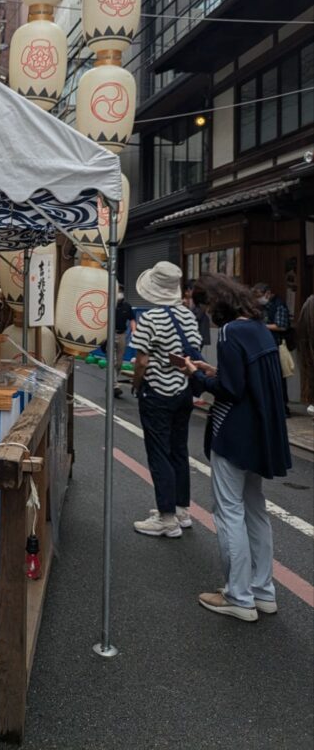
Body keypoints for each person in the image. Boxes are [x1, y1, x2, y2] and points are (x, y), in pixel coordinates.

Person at [183, 274, 291, 622]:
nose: (208, 311)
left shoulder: (230, 332)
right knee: (256, 511)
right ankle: (263, 592)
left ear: (219, 303)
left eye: (208, 305)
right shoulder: (259, 328)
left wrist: (196, 375)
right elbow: (245, 379)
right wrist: (214, 369)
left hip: (233, 432)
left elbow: (230, 389)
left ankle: (238, 596)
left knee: (229, 512)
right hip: (261, 432)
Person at [129, 261, 203, 538]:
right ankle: (182, 510)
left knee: (159, 453)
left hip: (157, 393)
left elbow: (142, 360)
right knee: (178, 451)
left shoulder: (149, 319)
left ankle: (166, 518)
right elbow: (194, 350)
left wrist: (137, 385)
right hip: (183, 392)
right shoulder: (188, 316)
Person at [253, 282, 292, 416]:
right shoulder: (260, 307)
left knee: (279, 378)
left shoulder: (278, 304)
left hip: (277, 346)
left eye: (259, 296)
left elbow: (281, 326)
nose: (258, 299)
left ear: (267, 293)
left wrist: (261, 327)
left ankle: (283, 408)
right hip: (263, 346)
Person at [114, 285, 135, 398]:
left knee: (119, 362)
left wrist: (134, 331)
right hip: (110, 334)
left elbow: (132, 319)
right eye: (118, 291)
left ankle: (114, 381)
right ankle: (114, 385)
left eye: (121, 291)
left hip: (122, 335)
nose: (119, 293)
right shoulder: (110, 305)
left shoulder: (127, 306)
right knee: (113, 361)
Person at [184, 279, 211, 348]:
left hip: (199, 329)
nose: (186, 293)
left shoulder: (200, 302)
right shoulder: (191, 301)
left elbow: (198, 315)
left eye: (188, 290)